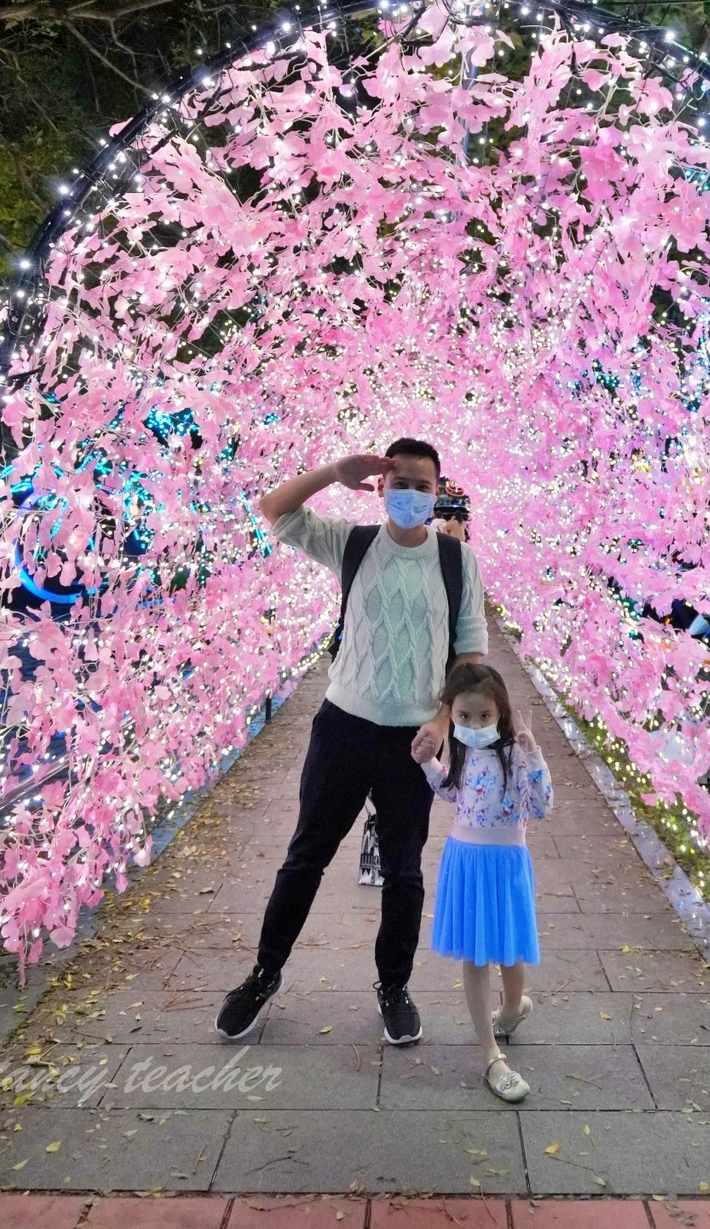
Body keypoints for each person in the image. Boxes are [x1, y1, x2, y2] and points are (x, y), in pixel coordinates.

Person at [215, 439, 489, 1046]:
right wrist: (332, 472)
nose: (413, 495)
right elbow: (276, 511)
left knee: (404, 871)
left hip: (414, 740)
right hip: (343, 724)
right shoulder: (354, 542)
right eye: (402, 483)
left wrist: (444, 722)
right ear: (382, 486)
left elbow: (470, 653)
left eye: (424, 485)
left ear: (438, 490)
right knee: (306, 855)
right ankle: (264, 974)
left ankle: (394, 986)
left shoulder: (455, 559)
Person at [412, 662, 553, 1102]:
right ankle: (490, 1055)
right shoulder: (463, 749)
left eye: (484, 717)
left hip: (506, 860)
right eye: (464, 717)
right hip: (466, 859)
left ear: (501, 712)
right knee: (475, 955)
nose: (473, 725)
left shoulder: (515, 753)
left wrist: (536, 759)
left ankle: (512, 1009)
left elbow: (544, 807)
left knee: (509, 949)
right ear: (452, 714)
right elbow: (456, 795)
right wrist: (430, 765)